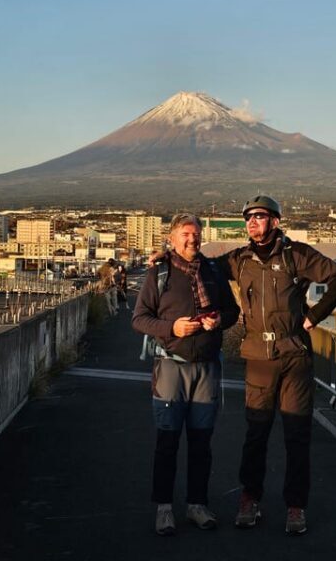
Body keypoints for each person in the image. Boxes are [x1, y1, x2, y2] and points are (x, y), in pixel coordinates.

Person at [162, 196, 336, 535]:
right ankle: (250, 499)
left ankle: (295, 506)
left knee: (297, 435)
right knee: (256, 433)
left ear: (275, 221)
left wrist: (314, 316)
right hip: (258, 356)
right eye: (248, 217)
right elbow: (200, 265)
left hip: (294, 355)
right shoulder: (240, 259)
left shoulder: (296, 254)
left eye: (259, 216)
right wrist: (165, 257)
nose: (252, 222)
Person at [132, 213, 240, 536]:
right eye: (186, 234)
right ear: (172, 238)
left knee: (201, 443)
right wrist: (172, 328)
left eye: (196, 233)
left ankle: (197, 504)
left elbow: (232, 311)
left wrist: (218, 320)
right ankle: (164, 508)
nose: (193, 239)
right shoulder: (160, 272)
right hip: (170, 365)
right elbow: (139, 318)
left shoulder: (212, 271)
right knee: (167, 441)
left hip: (206, 367)